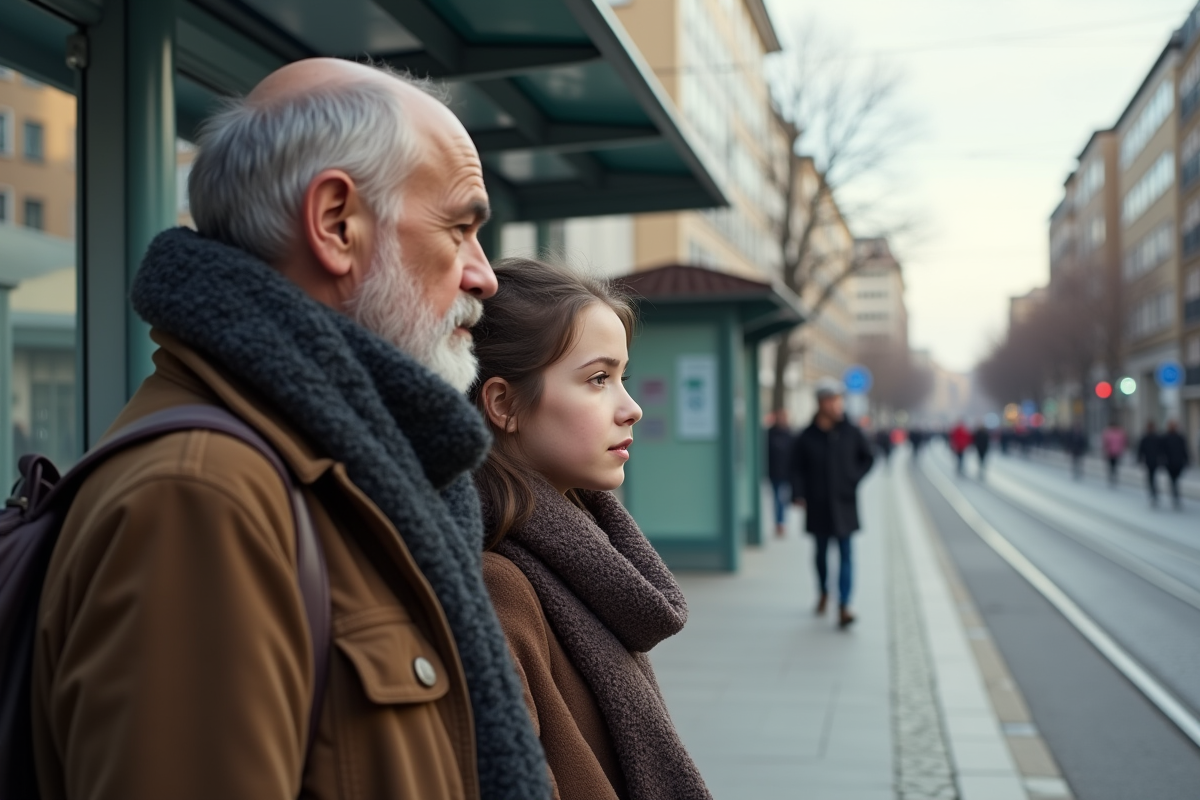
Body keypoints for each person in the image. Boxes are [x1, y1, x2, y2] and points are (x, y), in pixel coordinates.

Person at [31, 60, 551, 800]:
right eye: (460, 229)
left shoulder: (343, 472)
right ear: (337, 223)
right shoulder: (203, 499)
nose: (483, 275)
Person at [471, 258, 711, 800]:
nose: (632, 409)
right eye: (598, 379)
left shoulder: (580, 562)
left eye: (621, 377)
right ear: (504, 403)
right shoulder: (495, 587)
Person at [790, 379, 875, 628]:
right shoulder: (807, 435)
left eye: (838, 399)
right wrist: (799, 493)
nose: (836, 404)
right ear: (820, 403)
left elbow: (868, 458)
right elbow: (796, 468)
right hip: (818, 503)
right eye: (830, 400)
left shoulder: (851, 431)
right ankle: (823, 591)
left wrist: (853, 480)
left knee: (847, 552)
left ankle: (845, 604)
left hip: (845, 502)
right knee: (821, 553)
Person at [766, 408, 795, 538]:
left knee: (783, 499)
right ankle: (779, 523)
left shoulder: (790, 434)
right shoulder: (769, 434)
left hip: (787, 472)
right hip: (774, 472)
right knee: (778, 498)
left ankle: (781, 522)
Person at [1163, 420, 1191, 509]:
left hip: (1174, 463)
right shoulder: (1170, 437)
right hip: (1174, 463)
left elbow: (1184, 450)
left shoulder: (1177, 437)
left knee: (1174, 480)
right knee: (1174, 480)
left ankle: (1175, 495)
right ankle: (1176, 495)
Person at [1137, 420, 1163, 506]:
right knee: (1153, 477)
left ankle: (1153, 492)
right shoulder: (1155, 437)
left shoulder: (1146, 437)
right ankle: (1153, 492)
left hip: (1150, 460)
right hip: (1154, 460)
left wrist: (1139, 459)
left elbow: (1140, 450)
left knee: (1151, 477)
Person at [1101, 419, 1127, 487]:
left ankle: (1114, 476)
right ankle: (1111, 477)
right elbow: (1105, 442)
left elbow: (1123, 442)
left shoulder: (1120, 432)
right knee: (1111, 465)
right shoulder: (1108, 433)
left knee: (1115, 465)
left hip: (1117, 452)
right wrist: (1105, 450)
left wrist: (1122, 450)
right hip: (1110, 452)